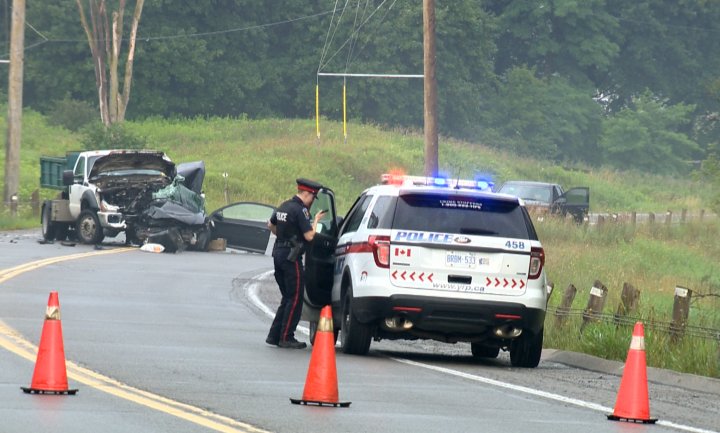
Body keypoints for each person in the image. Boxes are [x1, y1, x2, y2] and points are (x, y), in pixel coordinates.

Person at [265, 178, 326, 349]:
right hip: (292, 258)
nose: (312, 202)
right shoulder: (301, 210)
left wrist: (283, 237)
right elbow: (309, 236)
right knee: (295, 298)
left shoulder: (283, 206)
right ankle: (286, 337)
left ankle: (274, 335)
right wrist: (316, 221)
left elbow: (271, 224)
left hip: (278, 253)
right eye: (313, 198)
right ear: (307, 194)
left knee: (287, 297)